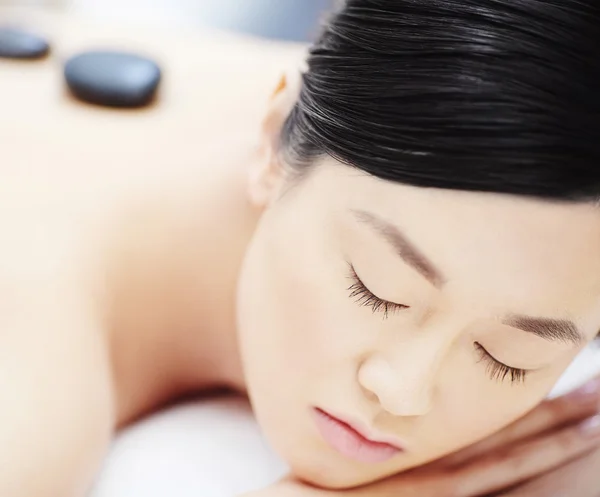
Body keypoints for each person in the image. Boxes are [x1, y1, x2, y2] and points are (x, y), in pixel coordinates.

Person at [1, 1, 600, 496]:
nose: (403, 390)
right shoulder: (30, 379)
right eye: (377, 289)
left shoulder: (387, 93)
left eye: (507, 357)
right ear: (273, 137)